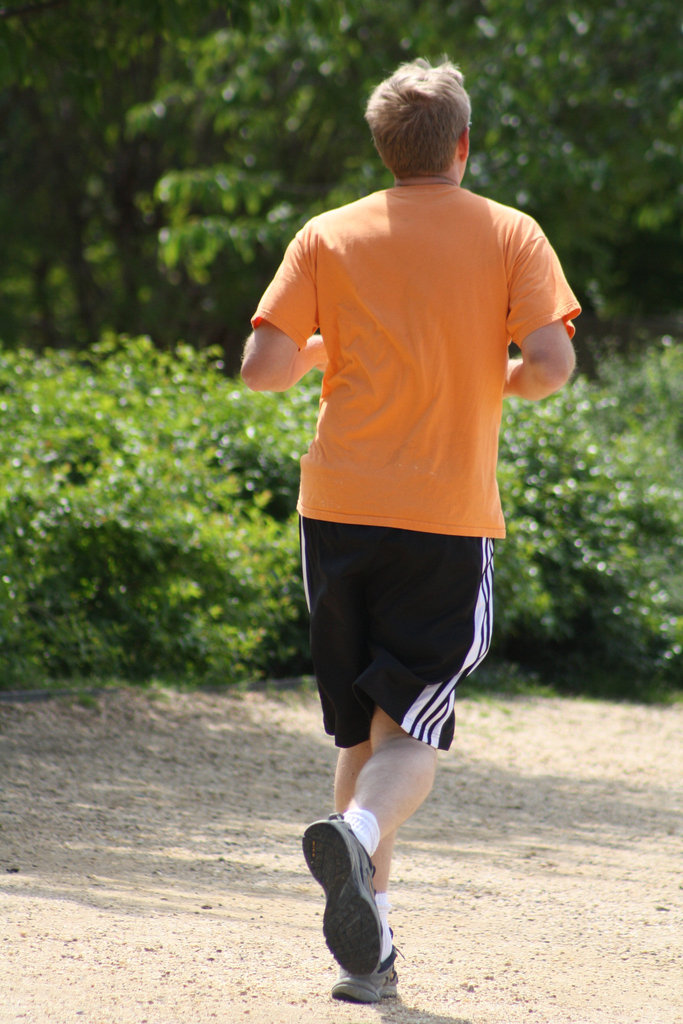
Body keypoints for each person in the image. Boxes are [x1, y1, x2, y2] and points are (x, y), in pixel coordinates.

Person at [241, 57, 580, 1004]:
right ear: (462, 146)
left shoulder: (327, 234)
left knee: (360, 723)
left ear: (382, 149)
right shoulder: (511, 233)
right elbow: (550, 362)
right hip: (441, 513)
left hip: (335, 510)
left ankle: (369, 955)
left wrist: (319, 349)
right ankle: (353, 838)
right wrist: (502, 378)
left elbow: (260, 368)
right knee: (413, 733)